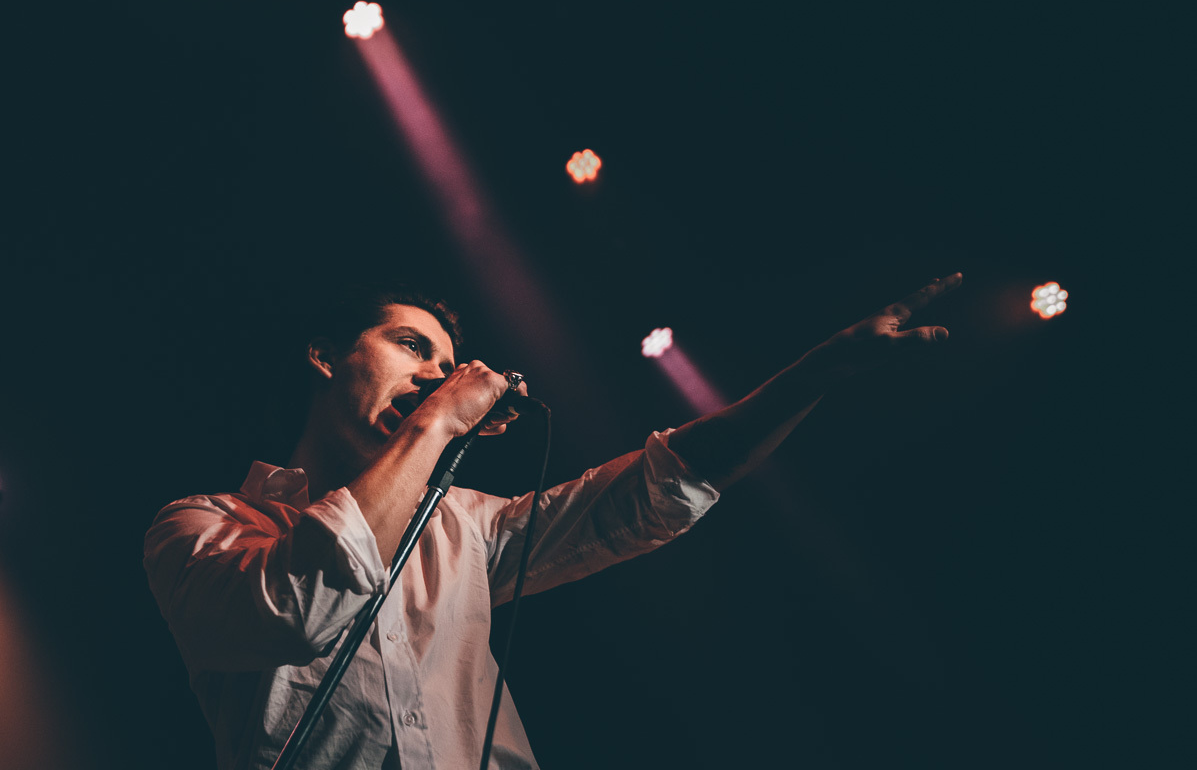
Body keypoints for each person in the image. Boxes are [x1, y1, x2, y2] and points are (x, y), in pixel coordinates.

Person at [144, 273, 962, 770]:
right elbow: (300, 613)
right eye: (409, 346)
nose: (435, 373)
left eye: (443, 361)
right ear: (326, 356)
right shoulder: (202, 526)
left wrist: (823, 369)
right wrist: (439, 424)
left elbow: (656, 488)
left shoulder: (466, 528)